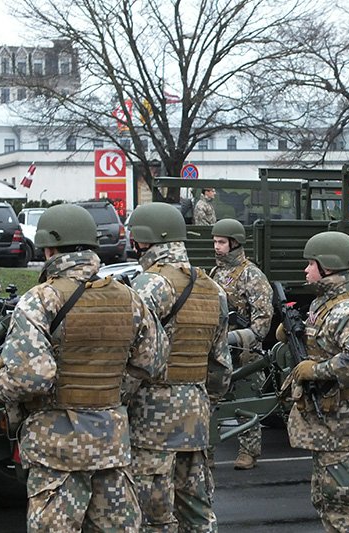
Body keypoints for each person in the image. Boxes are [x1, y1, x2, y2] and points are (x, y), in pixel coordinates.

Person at [0, 203, 166, 531]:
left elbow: (33, 377)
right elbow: (152, 360)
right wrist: (112, 392)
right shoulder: (129, 298)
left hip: (56, 450)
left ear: (49, 247)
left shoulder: (40, 300)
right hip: (110, 443)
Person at [127, 202, 231, 531]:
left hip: (151, 418)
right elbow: (220, 366)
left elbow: (131, 354)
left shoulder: (149, 286)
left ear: (143, 242)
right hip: (196, 415)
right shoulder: (212, 288)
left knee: (152, 514)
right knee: (197, 509)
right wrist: (204, 400)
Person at [285, 231, 349, 531]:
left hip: (343, 424)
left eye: (311, 264)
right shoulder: (325, 305)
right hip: (330, 424)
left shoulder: (346, 310)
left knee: (346, 506)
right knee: (330, 501)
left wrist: (317, 371)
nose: (306, 270)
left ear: (329, 267)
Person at [210, 218, 273, 470]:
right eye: (215, 242)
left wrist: (241, 338)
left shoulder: (252, 275)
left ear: (235, 243)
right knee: (213, 401)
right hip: (220, 347)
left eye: (222, 242)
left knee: (246, 400)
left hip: (244, 350)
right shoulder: (215, 273)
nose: (217, 247)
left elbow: (263, 319)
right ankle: (208, 450)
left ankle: (249, 450)